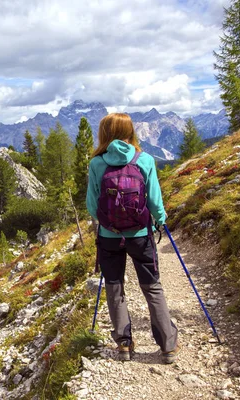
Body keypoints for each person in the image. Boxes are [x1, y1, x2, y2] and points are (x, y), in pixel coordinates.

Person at [86, 113, 179, 364]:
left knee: (115, 287)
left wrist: (108, 223)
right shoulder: (145, 159)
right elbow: (154, 199)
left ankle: (124, 345)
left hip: (109, 237)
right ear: (130, 132)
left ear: (104, 134)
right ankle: (167, 346)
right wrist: (160, 219)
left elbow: (91, 205)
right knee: (152, 287)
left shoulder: (97, 164)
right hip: (140, 236)